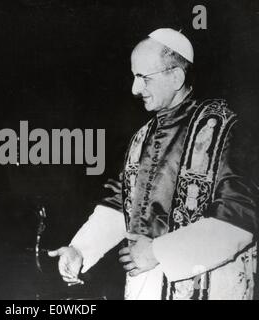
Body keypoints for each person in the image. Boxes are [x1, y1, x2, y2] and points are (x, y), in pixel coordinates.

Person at [49, 28, 258, 300]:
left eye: (143, 78)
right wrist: (80, 250)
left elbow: (239, 220)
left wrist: (158, 252)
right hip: (145, 287)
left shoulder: (225, 130)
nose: (135, 89)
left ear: (176, 77)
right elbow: (121, 203)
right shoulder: (142, 136)